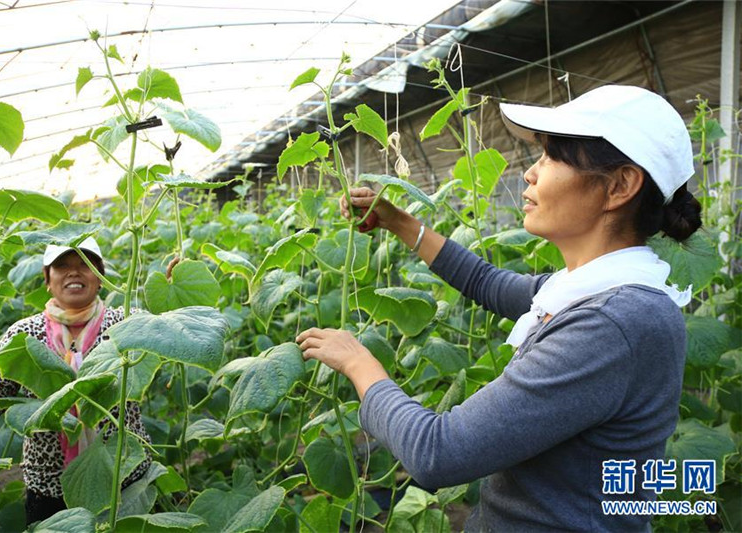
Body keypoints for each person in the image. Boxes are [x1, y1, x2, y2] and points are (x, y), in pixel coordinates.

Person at [296, 85, 702, 531]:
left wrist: (359, 364)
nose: (530, 173)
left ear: (620, 185)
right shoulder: (591, 292)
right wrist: (398, 221)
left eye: (551, 157)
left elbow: (438, 453)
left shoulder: (612, 322)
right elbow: (486, 283)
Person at [0, 238, 159, 525]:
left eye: (85, 265)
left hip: (126, 477)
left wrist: (168, 299)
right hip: (49, 486)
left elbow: (170, 336)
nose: (74, 272)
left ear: (100, 277)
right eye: (62, 266)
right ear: (47, 279)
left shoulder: (127, 323)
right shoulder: (24, 334)